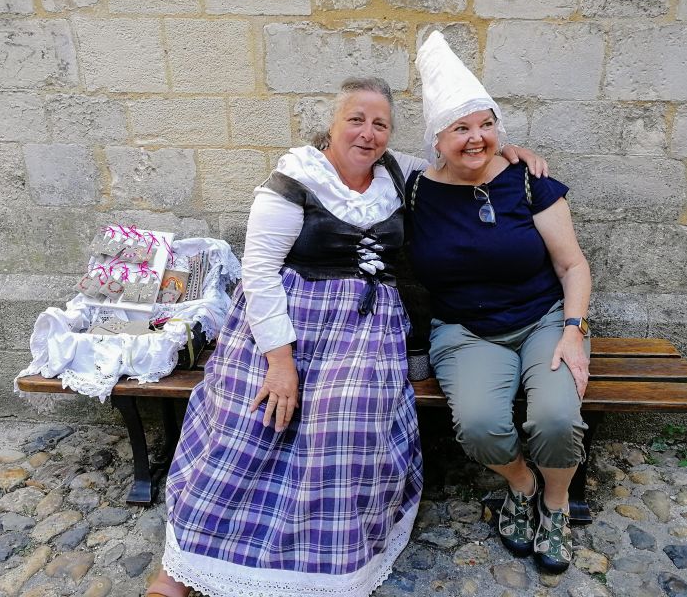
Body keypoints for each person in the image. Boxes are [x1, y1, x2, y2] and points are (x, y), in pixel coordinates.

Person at [147, 76, 549, 597]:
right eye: (355, 119)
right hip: (285, 321)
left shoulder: (399, 173)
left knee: (349, 418)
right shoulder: (294, 178)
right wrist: (280, 362)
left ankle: (326, 569)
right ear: (330, 127)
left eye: (380, 123)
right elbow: (260, 270)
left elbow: (463, 157)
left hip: (364, 325)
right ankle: (183, 570)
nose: (368, 132)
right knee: (248, 416)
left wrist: (508, 152)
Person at [406, 31, 592, 574]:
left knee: (556, 418)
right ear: (435, 139)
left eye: (486, 125)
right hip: (465, 331)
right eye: (460, 128)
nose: (476, 138)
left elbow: (572, 265)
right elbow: (347, 155)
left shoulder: (528, 182)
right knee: (482, 423)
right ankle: (522, 483)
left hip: (543, 320)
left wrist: (574, 331)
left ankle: (554, 504)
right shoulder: (413, 187)